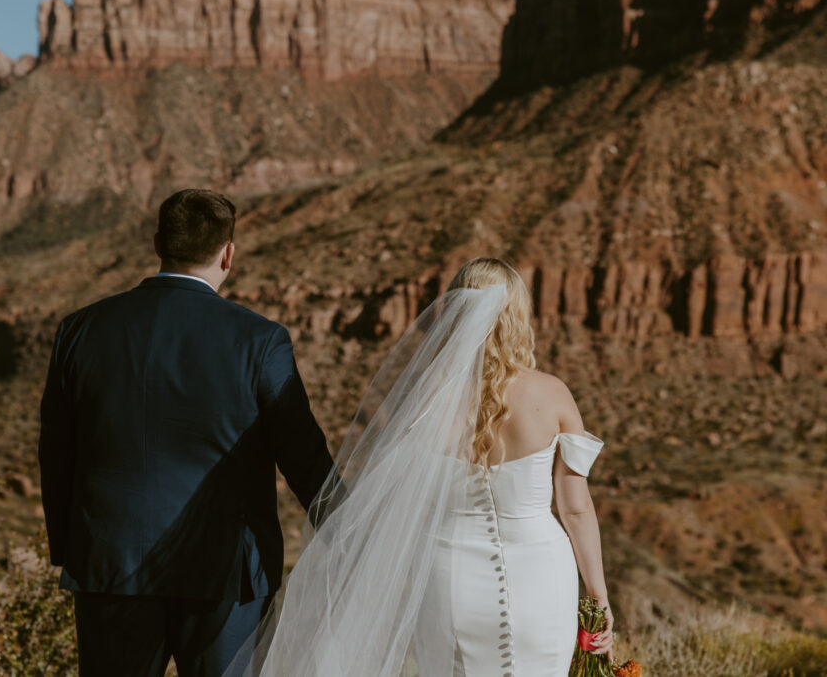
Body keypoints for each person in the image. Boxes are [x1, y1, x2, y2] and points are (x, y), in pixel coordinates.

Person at [225, 257, 613, 676]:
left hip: (450, 583)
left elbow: (398, 505)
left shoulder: (428, 406)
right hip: (543, 578)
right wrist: (599, 597)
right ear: (518, 315)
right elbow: (576, 510)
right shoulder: (553, 395)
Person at [37, 188, 337, 677]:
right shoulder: (260, 341)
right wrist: (348, 528)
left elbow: (57, 450)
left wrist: (70, 546)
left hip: (112, 567)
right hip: (226, 576)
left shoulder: (80, 330)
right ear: (228, 253)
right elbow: (302, 453)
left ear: (158, 243)